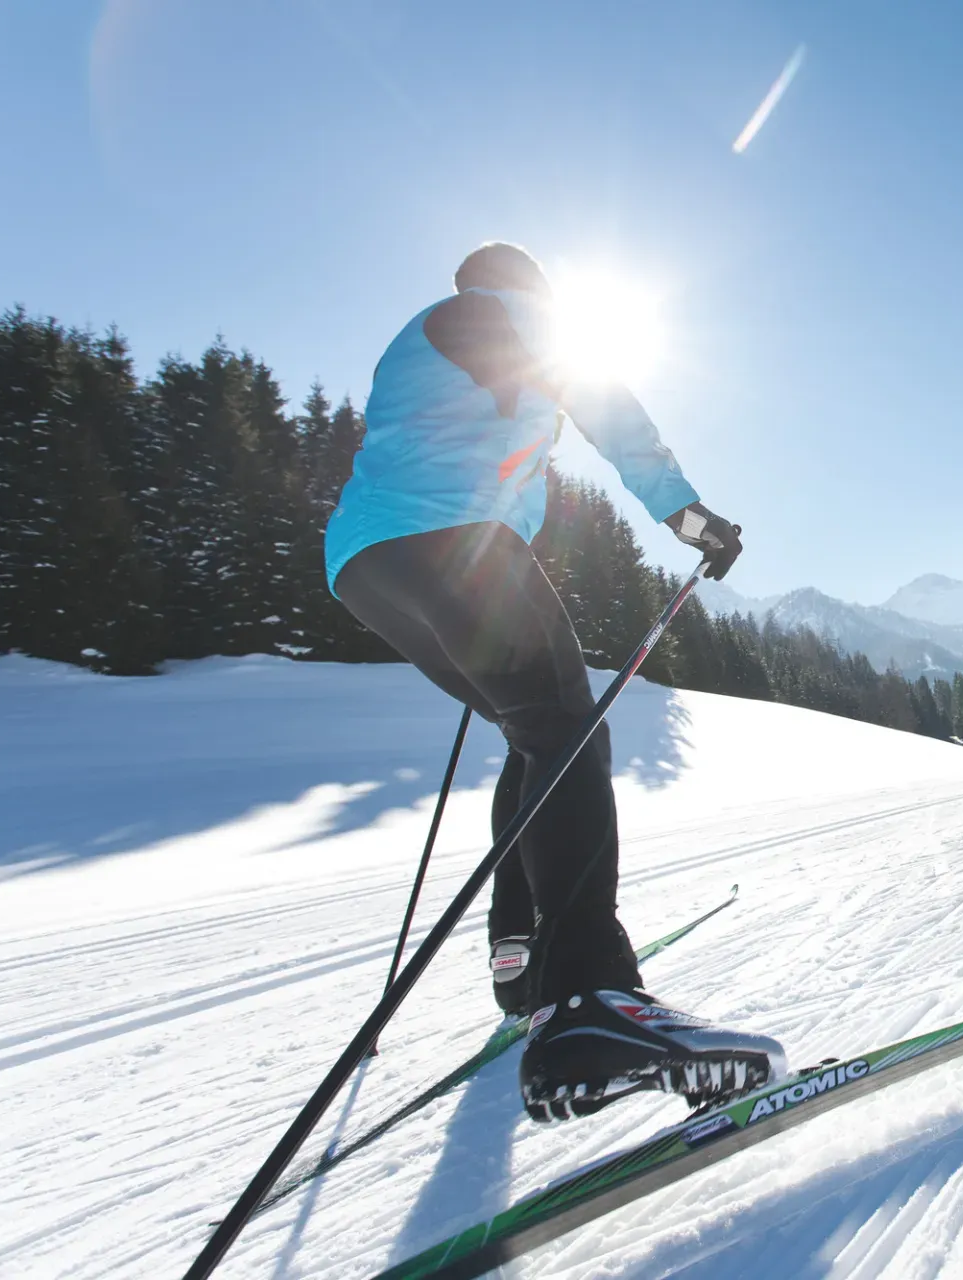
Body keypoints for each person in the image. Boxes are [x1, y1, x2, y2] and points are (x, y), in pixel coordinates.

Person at [324, 242, 783, 1122]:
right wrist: (692, 519)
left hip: (365, 566)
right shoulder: (525, 319)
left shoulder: (414, 335)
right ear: (532, 286)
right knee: (571, 733)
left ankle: (520, 947)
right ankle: (589, 1000)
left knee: (537, 733)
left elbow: (439, 443)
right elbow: (612, 411)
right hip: (456, 540)